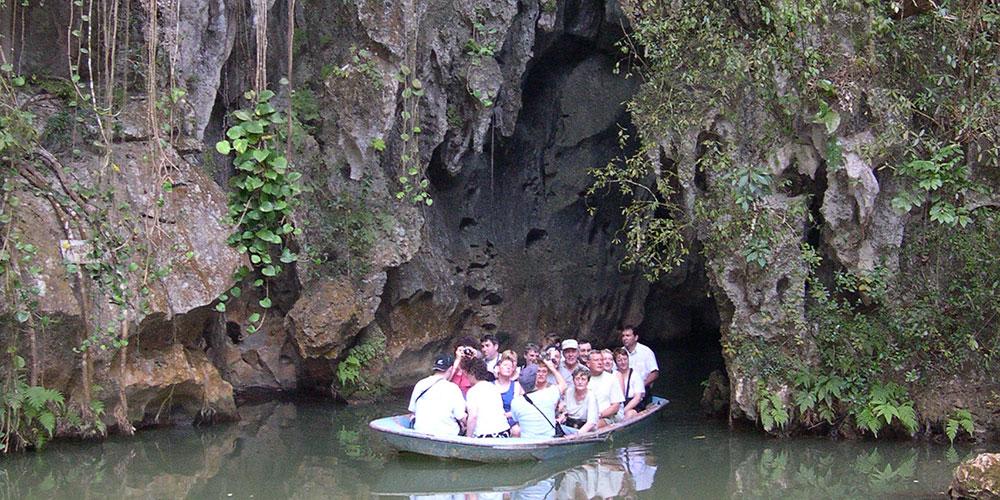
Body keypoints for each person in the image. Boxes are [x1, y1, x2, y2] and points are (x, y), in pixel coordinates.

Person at [408, 354, 466, 436]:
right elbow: (460, 416)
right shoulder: (453, 388)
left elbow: (412, 411)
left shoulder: (420, 384)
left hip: (421, 431)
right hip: (448, 433)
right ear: (450, 369)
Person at [510, 357, 567, 439]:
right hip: (548, 442)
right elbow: (563, 385)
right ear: (535, 380)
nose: (540, 374)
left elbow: (516, 419)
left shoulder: (516, 402)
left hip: (527, 443)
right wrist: (552, 368)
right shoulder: (550, 394)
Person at [465, 358, 512, 438]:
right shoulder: (494, 387)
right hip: (504, 430)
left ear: (472, 373)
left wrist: (468, 437)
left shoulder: (473, 391)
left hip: (485, 433)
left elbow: (473, 416)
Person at [586, 351, 624, 428]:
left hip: (608, 417)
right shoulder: (584, 379)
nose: (600, 363)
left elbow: (616, 406)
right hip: (587, 416)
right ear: (588, 363)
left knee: (592, 426)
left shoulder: (612, 379)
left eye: (601, 360)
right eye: (596, 360)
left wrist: (599, 415)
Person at [621, 325, 659, 396]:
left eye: (628, 336)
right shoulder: (620, 352)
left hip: (643, 388)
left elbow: (655, 373)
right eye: (623, 336)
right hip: (624, 389)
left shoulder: (646, 352)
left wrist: (641, 387)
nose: (625, 338)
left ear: (636, 337)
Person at [494, 352, 524, 436]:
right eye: (505, 365)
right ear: (498, 368)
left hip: (511, 419)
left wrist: (507, 415)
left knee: (516, 430)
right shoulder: (490, 386)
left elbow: (520, 407)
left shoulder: (517, 386)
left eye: (510, 367)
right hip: (494, 419)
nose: (508, 368)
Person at [562, 366, 598, 433]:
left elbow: (591, 423)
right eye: (577, 379)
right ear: (573, 380)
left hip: (585, 430)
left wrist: (577, 435)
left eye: (583, 379)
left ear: (588, 381)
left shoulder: (591, 396)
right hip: (569, 426)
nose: (580, 382)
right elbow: (566, 412)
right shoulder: (569, 392)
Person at [614, 347, 644, 418]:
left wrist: (623, 411)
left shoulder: (635, 375)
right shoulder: (613, 374)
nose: (623, 362)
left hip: (633, 405)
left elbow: (637, 398)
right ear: (615, 362)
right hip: (617, 405)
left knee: (629, 414)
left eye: (625, 359)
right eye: (619, 360)